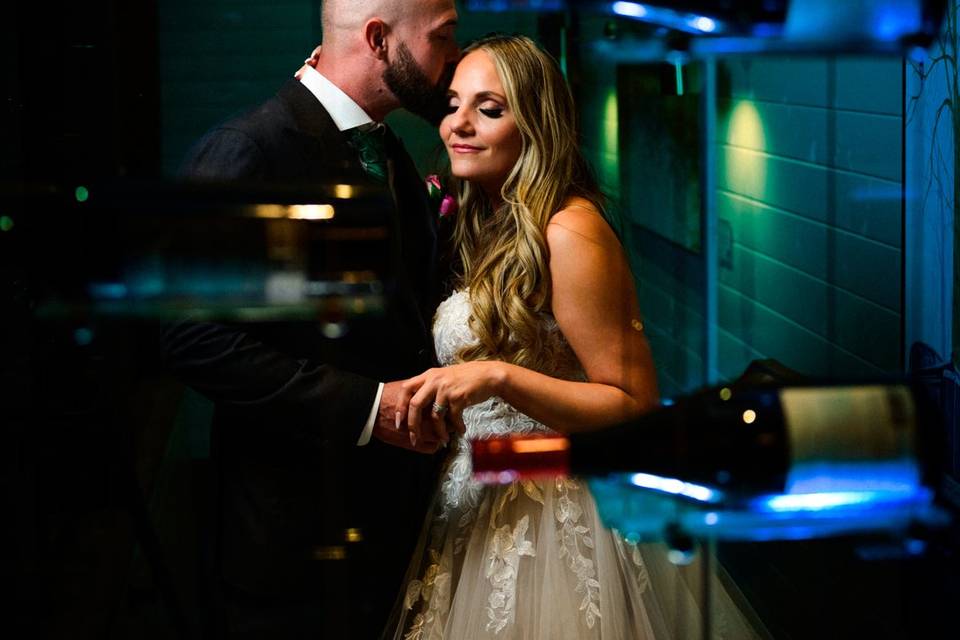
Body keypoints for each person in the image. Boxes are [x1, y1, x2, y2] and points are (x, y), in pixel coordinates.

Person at [379, 35, 763, 639]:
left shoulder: (570, 231)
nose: (460, 124)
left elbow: (633, 404)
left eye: (490, 108)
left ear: (535, 124)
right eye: (454, 104)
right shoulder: (498, 220)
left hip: (555, 517)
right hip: (480, 499)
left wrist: (498, 376)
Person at [162, 1, 460, 637]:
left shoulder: (387, 150)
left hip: (390, 534)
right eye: (443, 36)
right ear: (380, 39)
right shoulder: (249, 150)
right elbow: (192, 337)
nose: (452, 58)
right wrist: (366, 408)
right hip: (293, 551)